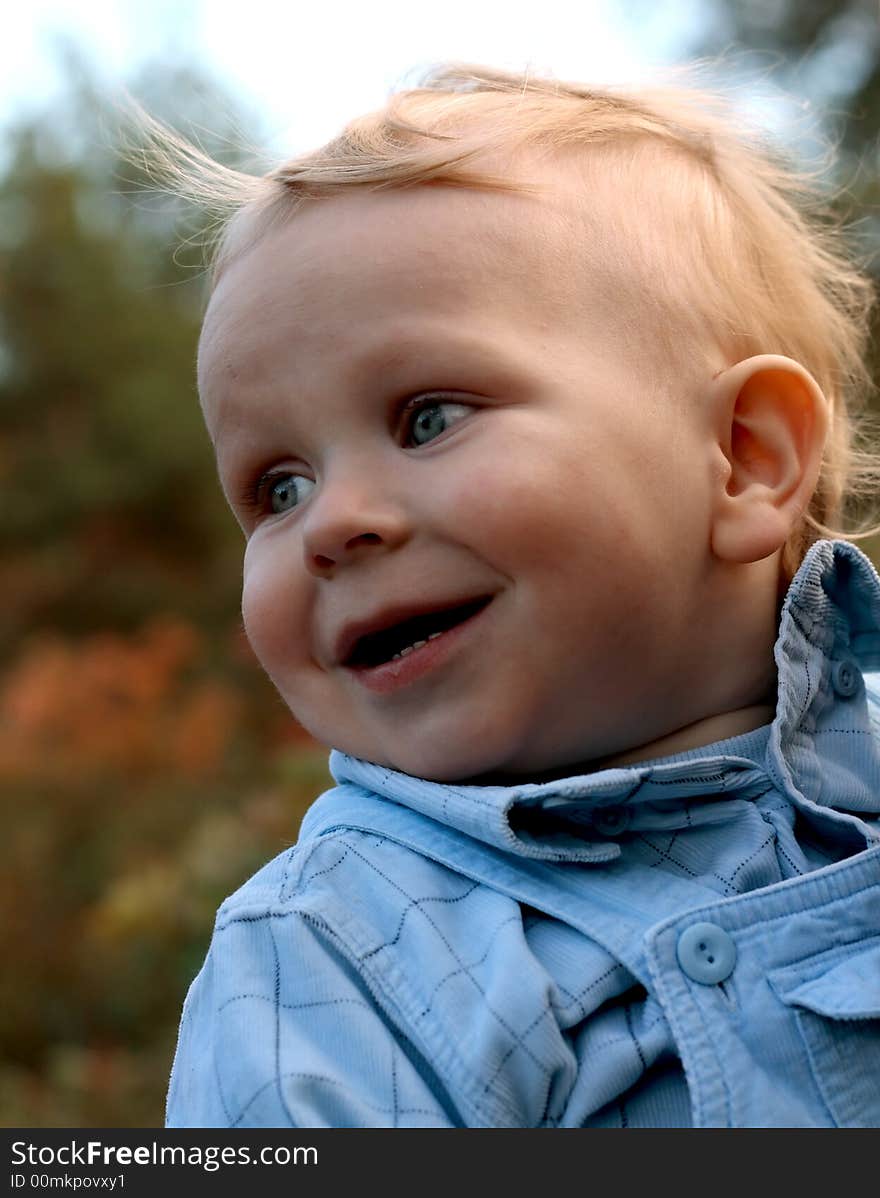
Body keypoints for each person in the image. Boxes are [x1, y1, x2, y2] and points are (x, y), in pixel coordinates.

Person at [160, 62, 880, 1127]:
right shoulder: (329, 954)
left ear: (740, 457)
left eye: (428, 418)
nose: (332, 522)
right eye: (278, 486)